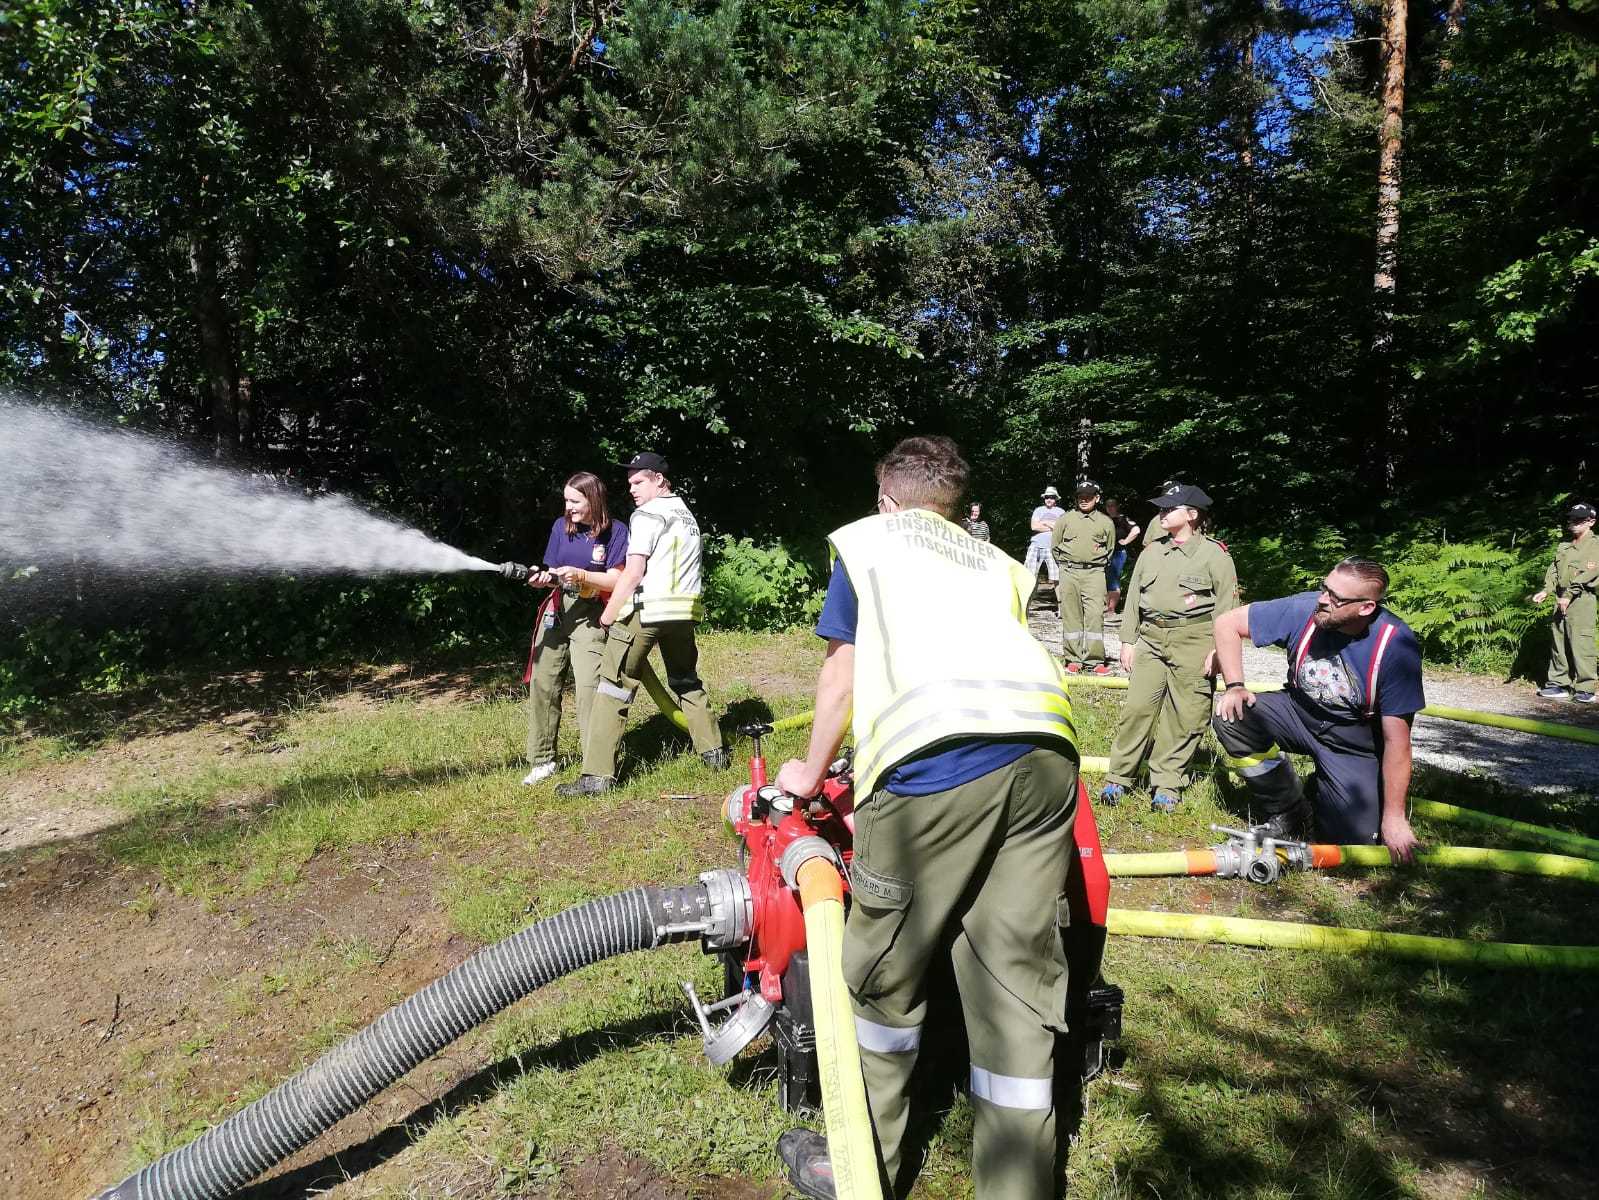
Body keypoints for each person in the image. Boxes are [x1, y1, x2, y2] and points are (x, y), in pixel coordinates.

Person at [773, 435, 1079, 1200]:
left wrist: (807, 773)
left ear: (886, 500)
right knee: (1015, 977)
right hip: (1047, 757)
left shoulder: (868, 544)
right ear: (951, 507)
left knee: (882, 978)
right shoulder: (996, 560)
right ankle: (1016, 1187)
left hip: (936, 769)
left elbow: (842, 672)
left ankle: (861, 1168)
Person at [1211, 556, 1424, 862]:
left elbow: (1397, 742)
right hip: (1298, 712)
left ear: (1366, 608)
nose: (1323, 600)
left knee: (1354, 843)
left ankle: (1322, 789)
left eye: (1336, 598)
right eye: (1324, 588)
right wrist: (1235, 685)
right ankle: (1288, 809)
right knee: (1232, 715)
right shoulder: (1306, 609)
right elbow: (1226, 623)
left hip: (1351, 741)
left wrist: (1395, 819)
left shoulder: (1395, 645)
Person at [556, 452, 727, 795]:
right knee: (685, 680)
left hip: (648, 612)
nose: (632, 489)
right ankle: (714, 753)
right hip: (684, 614)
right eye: (630, 483)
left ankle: (597, 777)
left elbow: (633, 573)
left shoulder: (647, 514)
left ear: (659, 479)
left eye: (639, 482)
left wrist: (608, 614)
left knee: (612, 686)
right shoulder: (686, 514)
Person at [1098, 483, 1237, 812]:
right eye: (1161, 508)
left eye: (1169, 509)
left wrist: (1219, 650)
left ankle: (1167, 784)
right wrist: (1128, 641)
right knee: (1137, 709)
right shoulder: (1152, 552)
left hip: (1194, 640)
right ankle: (1119, 777)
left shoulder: (1215, 555)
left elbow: (1227, 609)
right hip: (1151, 639)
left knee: (1185, 715)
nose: (1161, 513)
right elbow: (1134, 598)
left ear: (1192, 515)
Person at [521, 472, 630, 785]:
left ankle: (594, 764)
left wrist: (582, 576)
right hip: (557, 609)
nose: (568, 507)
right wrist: (543, 578)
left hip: (592, 612)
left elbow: (616, 579)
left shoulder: (616, 531)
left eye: (575, 501)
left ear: (593, 499)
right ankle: (542, 761)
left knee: (588, 688)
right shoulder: (561, 526)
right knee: (543, 682)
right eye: (566, 500)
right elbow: (554, 571)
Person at [1532, 501, 1599, 703]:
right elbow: (1554, 570)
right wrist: (1546, 590)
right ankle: (1558, 684)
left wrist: (1569, 594)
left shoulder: (1595, 545)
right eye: (1572, 519)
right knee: (1558, 642)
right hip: (1560, 598)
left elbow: (1589, 573)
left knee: (1582, 642)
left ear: (1591, 521)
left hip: (1581, 599)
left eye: (1580, 519)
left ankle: (1585, 688)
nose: (1574, 522)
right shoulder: (1564, 547)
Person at [1051, 480, 1117, 674]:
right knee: (1071, 615)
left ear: (1097, 498)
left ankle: (1095, 660)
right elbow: (1055, 547)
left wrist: (1094, 565)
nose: (1084, 499)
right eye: (1081, 496)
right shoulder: (1065, 519)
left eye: (1088, 496)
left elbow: (1110, 550)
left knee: (1095, 615)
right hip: (1069, 572)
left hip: (1095, 573)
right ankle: (1073, 659)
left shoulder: (1106, 522)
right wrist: (1066, 567)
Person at [1023, 486, 1064, 596]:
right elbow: (1034, 526)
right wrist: (1052, 526)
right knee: (1029, 575)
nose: (1049, 499)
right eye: (1047, 497)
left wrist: (1044, 522)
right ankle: (1027, 603)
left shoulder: (1061, 512)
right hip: (1036, 545)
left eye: (1051, 497)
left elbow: (1061, 529)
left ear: (1056, 498)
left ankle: (1061, 604)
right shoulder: (1038, 510)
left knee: (1057, 577)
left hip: (1053, 546)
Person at [1104, 498, 1140, 616]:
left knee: (1113, 580)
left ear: (1117, 506)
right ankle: (1106, 607)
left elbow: (1136, 530)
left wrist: (1126, 541)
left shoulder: (1123, 519)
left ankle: (1111, 609)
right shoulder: (1104, 519)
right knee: (1104, 581)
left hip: (1118, 553)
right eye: (1108, 506)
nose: (1110, 508)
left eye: (1112, 505)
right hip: (1104, 554)